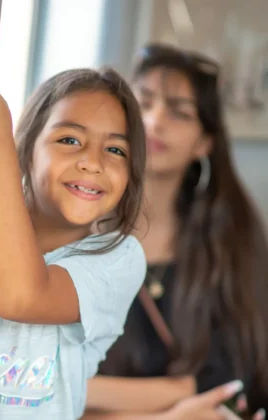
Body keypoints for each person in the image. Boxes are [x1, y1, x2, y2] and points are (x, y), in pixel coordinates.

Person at [0, 0, 149, 418]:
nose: (93, 161)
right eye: (70, 140)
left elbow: (20, 297)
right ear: (28, 151)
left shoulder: (115, 260)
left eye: (114, 149)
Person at [83, 43, 268, 419]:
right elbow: (28, 391)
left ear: (204, 143)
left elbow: (232, 380)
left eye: (180, 113)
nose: (155, 120)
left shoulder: (231, 238)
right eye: (144, 102)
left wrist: (77, 391)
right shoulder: (71, 230)